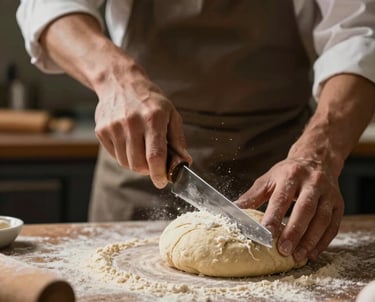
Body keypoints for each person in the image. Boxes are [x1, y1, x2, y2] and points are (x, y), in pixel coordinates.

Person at [17, 1, 375, 263]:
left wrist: (316, 154)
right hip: (142, 157)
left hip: (282, 176)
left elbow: (359, 34)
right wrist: (116, 79)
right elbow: (50, 6)